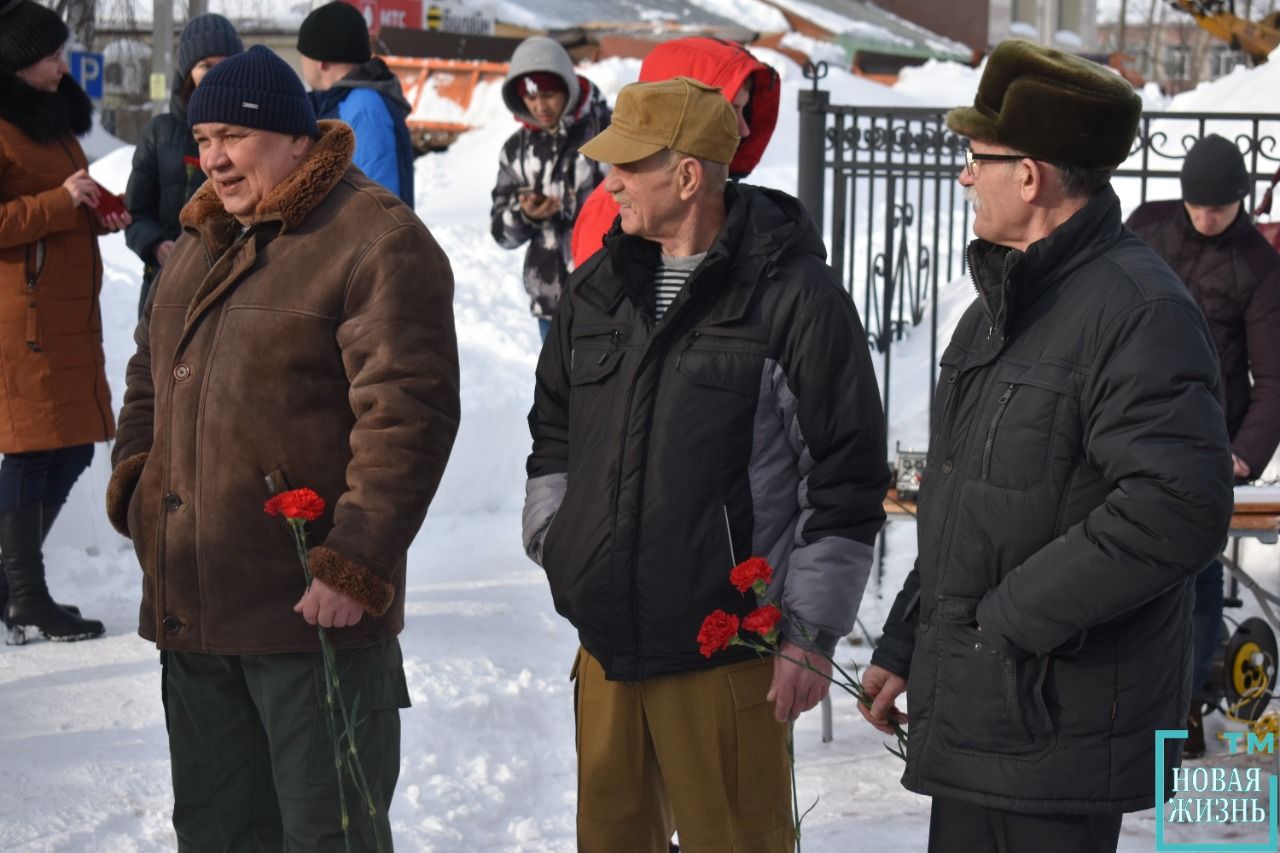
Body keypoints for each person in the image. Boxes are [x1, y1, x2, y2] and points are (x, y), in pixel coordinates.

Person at [858, 40, 1236, 853]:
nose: (965, 176)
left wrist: (1006, 624)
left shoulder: (1139, 311)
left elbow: (1178, 508)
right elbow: (968, 503)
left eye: (975, 157)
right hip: (980, 713)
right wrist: (904, 642)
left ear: (1028, 176)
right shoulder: (1001, 300)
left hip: (1052, 724)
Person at [104, 46, 459, 848]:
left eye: (234, 135)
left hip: (311, 617)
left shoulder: (374, 239)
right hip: (196, 613)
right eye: (202, 140)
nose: (214, 158)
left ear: (297, 138)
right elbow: (148, 377)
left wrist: (354, 561)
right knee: (218, 834)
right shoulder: (201, 238)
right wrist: (137, 488)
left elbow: (410, 414)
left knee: (327, 833)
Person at [523, 77, 889, 852]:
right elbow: (553, 426)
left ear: (688, 176)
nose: (609, 180)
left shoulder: (797, 299)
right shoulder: (596, 291)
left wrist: (810, 634)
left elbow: (845, 474)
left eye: (628, 165)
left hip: (729, 660)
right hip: (607, 649)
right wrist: (557, 536)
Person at [1126, 133, 1280, 758]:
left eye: (1217, 206)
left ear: (1240, 201)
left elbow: (1273, 379)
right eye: (1196, 205)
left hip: (1210, 447)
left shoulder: (1260, 265)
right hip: (1129, 428)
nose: (1206, 216)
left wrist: (1243, 454)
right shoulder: (1147, 226)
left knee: (1195, 581)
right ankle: (1127, 708)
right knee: (1124, 574)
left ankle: (1181, 708)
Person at [0, 0, 128, 644]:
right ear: (19, 65)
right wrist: (59, 203)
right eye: (51, 55)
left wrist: (97, 209)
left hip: (67, 317)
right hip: (21, 320)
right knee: (29, 448)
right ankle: (23, 594)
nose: (63, 62)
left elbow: (63, 194)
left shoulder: (52, 120)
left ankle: (8, 584)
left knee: (74, 443)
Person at [570, 36, 779, 268]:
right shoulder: (613, 215)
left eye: (745, 111)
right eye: (732, 110)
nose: (745, 129)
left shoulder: (732, 208)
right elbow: (593, 302)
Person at [490, 35, 611, 339]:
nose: (540, 106)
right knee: (557, 387)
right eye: (531, 98)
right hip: (550, 301)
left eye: (548, 94)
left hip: (609, 296)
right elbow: (500, 233)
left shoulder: (609, 133)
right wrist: (526, 214)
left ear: (567, 87)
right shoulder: (516, 150)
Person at [125, 12, 243, 317]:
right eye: (205, 66)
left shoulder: (257, 134)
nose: (217, 74)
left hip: (234, 292)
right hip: (166, 288)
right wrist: (155, 244)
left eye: (225, 63)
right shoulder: (160, 132)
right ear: (187, 72)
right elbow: (135, 213)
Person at [298, 0, 415, 206]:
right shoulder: (342, 101)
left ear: (322, 61)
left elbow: (380, 204)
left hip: (369, 237)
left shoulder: (366, 108)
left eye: (302, 54)